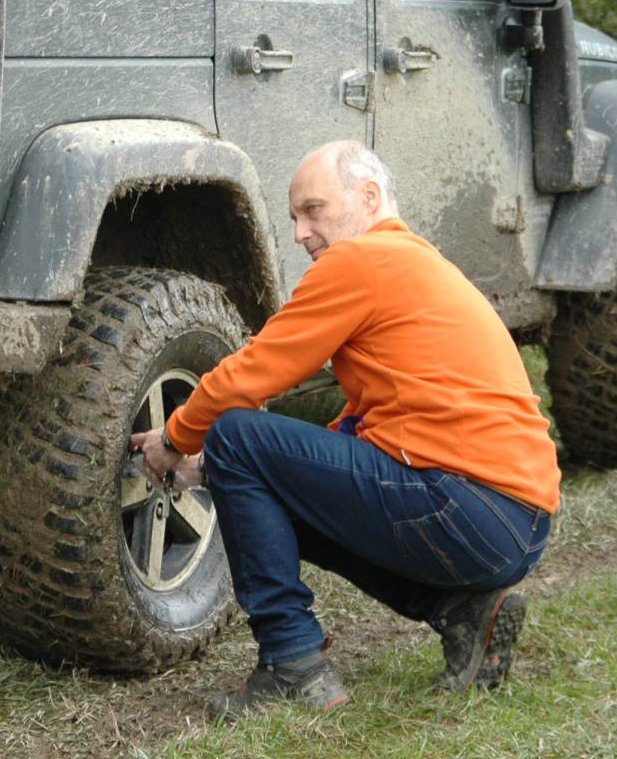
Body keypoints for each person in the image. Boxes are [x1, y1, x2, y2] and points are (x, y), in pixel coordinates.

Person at [131, 140, 560, 720]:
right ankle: (463, 610)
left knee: (235, 433)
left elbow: (253, 372)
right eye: (295, 217)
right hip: (517, 521)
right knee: (260, 468)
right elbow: (361, 437)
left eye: (314, 210)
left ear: (369, 197)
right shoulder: (415, 262)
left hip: (466, 503)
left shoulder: (359, 260)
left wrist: (175, 439)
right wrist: (212, 471)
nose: (301, 233)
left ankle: (292, 662)